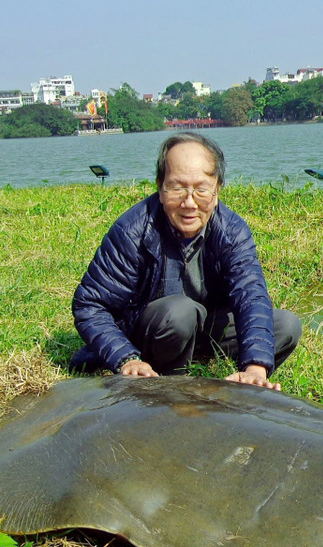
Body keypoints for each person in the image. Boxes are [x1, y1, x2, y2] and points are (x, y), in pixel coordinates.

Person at [71, 133, 301, 390]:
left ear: (217, 191)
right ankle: (172, 384)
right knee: (180, 313)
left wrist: (256, 368)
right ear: (160, 188)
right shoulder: (133, 230)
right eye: (178, 188)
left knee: (286, 325)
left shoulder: (233, 230)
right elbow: (90, 306)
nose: (189, 203)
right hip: (148, 332)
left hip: (204, 328)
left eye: (201, 189)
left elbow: (251, 295)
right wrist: (126, 358)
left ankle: (223, 375)